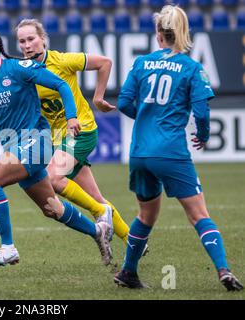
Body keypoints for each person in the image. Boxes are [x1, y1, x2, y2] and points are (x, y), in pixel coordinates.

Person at [0, 28, 113, 267]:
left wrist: (72, 118)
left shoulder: (18, 68)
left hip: (38, 141)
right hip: (15, 147)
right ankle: (98, 231)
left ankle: (8, 247)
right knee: (51, 207)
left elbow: (62, 86)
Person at [113, 5, 243, 291]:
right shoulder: (192, 68)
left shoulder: (141, 63)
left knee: (146, 215)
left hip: (139, 153)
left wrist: (148, 118)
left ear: (159, 34)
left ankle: (127, 272)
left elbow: (123, 103)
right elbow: (202, 113)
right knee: (199, 214)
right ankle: (223, 269)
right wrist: (204, 135)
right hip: (171, 152)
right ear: (183, 33)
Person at [15, 19, 145, 257]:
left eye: (31, 39)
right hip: (58, 140)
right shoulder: (23, 71)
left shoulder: (62, 61)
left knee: (53, 178)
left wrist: (98, 97)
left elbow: (105, 62)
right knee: (96, 197)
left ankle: (101, 215)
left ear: (42, 39)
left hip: (81, 130)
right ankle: (134, 241)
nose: (26, 45)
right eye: (21, 41)